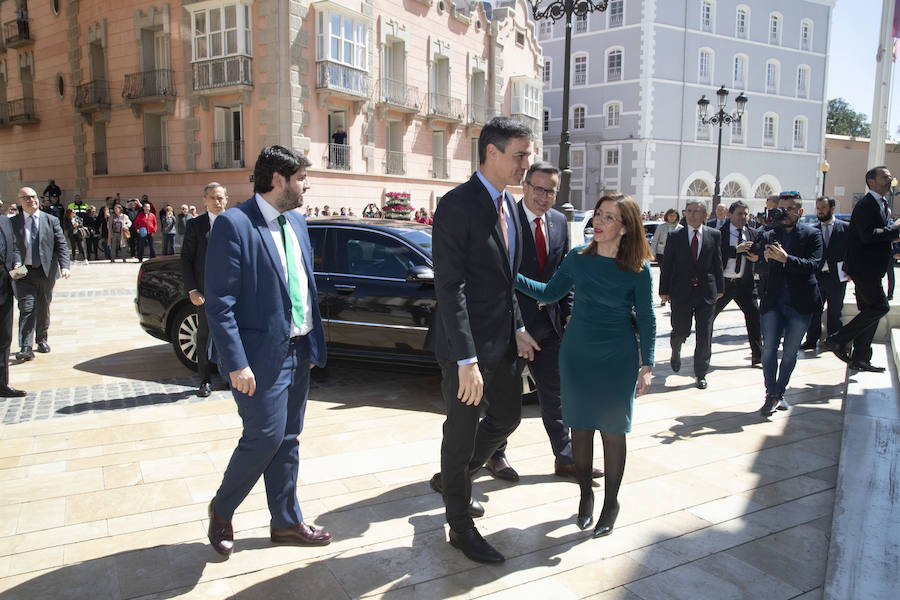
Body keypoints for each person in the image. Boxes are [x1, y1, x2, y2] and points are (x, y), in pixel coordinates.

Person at [204, 146, 330, 557]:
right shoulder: (233, 224)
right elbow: (220, 302)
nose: (306, 185)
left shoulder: (297, 220)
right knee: (264, 437)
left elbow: (304, 286)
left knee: (289, 439)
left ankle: (286, 521)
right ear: (278, 179)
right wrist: (236, 361)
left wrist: (309, 341)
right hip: (258, 359)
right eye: (301, 178)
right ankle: (222, 509)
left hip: (298, 352)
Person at [425, 117, 539, 565]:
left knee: (508, 417)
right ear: (492, 153)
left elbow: (503, 283)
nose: (526, 165)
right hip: (464, 350)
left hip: (502, 342)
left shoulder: (510, 205)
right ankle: (460, 525)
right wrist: (465, 360)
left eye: (527, 155)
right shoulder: (457, 205)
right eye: (520, 155)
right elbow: (450, 288)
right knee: (460, 433)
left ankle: (457, 479)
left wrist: (518, 326)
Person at [516, 193, 655, 537]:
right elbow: (549, 293)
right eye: (598, 215)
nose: (598, 223)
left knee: (613, 430)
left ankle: (611, 502)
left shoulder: (638, 269)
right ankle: (585, 496)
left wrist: (647, 364)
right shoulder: (578, 258)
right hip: (577, 353)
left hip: (617, 358)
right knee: (579, 428)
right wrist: (511, 275)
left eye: (609, 218)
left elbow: (649, 318)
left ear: (625, 228)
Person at [486, 161, 602, 483]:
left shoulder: (558, 222)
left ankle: (565, 458)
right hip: (510, 326)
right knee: (505, 399)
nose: (545, 196)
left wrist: (568, 314)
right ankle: (494, 455)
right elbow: (500, 280)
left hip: (548, 326)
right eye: (539, 189)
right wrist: (519, 326)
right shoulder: (505, 221)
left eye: (551, 190)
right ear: (524, 187)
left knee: (557, 395)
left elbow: (563, 277)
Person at [747, 192, 822, 415]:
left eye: (791, 209)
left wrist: (786, 259)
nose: (785, 213)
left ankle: (779, 392)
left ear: (800, 211)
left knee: (789, 352)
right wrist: (762, 260)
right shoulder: (769, 234)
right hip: (773, 302)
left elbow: (814, 265)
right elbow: (759, 268)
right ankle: (771, 393)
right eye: (782, 208)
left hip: (800, 304)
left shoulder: (812, 234)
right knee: (769, 349)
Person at [825, 166, 898, 372]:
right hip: (864, 269)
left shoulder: (881, 204)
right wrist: (895, 229)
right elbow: (868, 235)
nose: (890, 179)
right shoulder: (866, 205)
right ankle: (838, 339)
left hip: (872, 269)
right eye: (885, 176)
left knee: (870, 311)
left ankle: (861, 357)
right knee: (880, 307)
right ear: (871, 181)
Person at [659, 200, 724, 389]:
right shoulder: (675, 236)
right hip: (681, 292)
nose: (693, 214)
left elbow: (717, 263)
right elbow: (667, 265)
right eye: (689, 211)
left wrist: (720, 288)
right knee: (681, 330)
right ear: (685, 213)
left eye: (697, 211)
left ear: (705, 215)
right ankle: (676, 350)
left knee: (705, 334)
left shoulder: (714, 235)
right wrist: (664, 290)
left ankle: (701, 372)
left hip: (706, 292)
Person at [11, 187, 71, 360]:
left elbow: (61, 245)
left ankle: (42, 339)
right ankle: (25, 347)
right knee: (26, 307)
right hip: (22, 272)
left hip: (46, 271)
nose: (32, 200)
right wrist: (14, 265)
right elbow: (11, 246)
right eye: (27, 198)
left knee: (43, 307)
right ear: (20, 201)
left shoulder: (51, 220)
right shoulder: (13, 222)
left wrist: (64, 266)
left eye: (34, 197)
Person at [181, 183, 228, 398]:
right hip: (205, 293)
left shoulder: (235, 223)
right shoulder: (196, 226)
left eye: (220, 198)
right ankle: (204, 380)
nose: (217, 202)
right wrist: (192, 290)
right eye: (212, 198)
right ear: (204, 200)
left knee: (230, 335)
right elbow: (186, 260)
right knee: (204, 336)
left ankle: (229, 376)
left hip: (231, 293)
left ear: (226, 199)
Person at [712, 200, 762, 366]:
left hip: (745, 284)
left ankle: (758, 355)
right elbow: (715, 255)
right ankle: (704, 352)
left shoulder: (753, 233)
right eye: (740, 214)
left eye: (746, 214)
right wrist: (736, 250)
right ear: (730, 215)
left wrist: (757, 258)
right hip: (724, 283)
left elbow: (760, 254)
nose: (743, 217)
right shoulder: (719, 233)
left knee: (754, 316)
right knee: (709, 317)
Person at [800, 197, 849, 350]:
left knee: (835, 311)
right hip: (817, 276)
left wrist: (850, 271)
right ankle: (811, 340)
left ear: (832, 208)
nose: (820, 211)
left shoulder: (845, 228)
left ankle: (835, 340)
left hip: (837, 276)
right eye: (818, 208)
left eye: (823, 208)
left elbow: (850, 252)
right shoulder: (812, 229)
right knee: (815, 310)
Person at [0, 214, 26, 397]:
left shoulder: (4, 221)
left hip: (5, 289)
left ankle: (2, 384)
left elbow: (14, 247)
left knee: (4, 338)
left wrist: (16, 261)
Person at [649, 208, 682, 306]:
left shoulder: (680, 228)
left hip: (675, 255)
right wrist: (653, 253)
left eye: (674, 215)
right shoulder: (661, 227)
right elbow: (655, 240)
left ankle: (671, 295)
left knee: (673, 275)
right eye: (670, 215)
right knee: (664, 274)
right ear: (667, 216)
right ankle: (663, 295)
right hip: (662, 254)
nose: (672, 217)